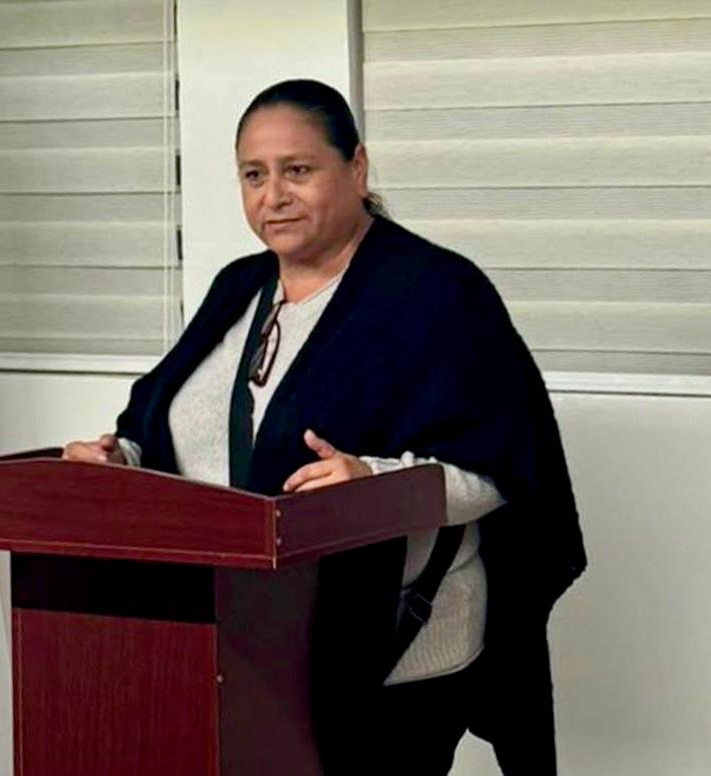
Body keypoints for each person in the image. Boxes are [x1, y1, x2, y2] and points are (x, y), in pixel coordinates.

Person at [64, 79, 585, 775]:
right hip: (236, 645)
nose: (273, 195)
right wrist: (119, 457)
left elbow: (500, 470)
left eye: (297, 170)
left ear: (357, 168)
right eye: (254, 175)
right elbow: (168, 423)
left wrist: (373, 482)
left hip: (392, 658)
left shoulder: (436, 293)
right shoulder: (238, 287)